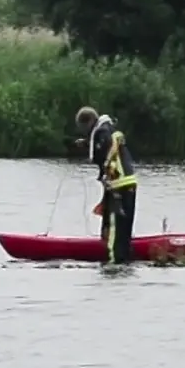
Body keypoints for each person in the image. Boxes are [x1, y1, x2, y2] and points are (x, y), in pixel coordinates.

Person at [76, 105, 138, 265]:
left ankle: (113, 265)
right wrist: (87, 143)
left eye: (83, 128)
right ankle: (124, 259)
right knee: (124, 227)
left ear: (89, 122)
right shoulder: (108, 128)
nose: (84, 132)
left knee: (114, 228)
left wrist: (107, 176)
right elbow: (109, 144)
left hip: (118, 184)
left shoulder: (102, 133)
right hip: (129, 181)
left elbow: (109, 150)